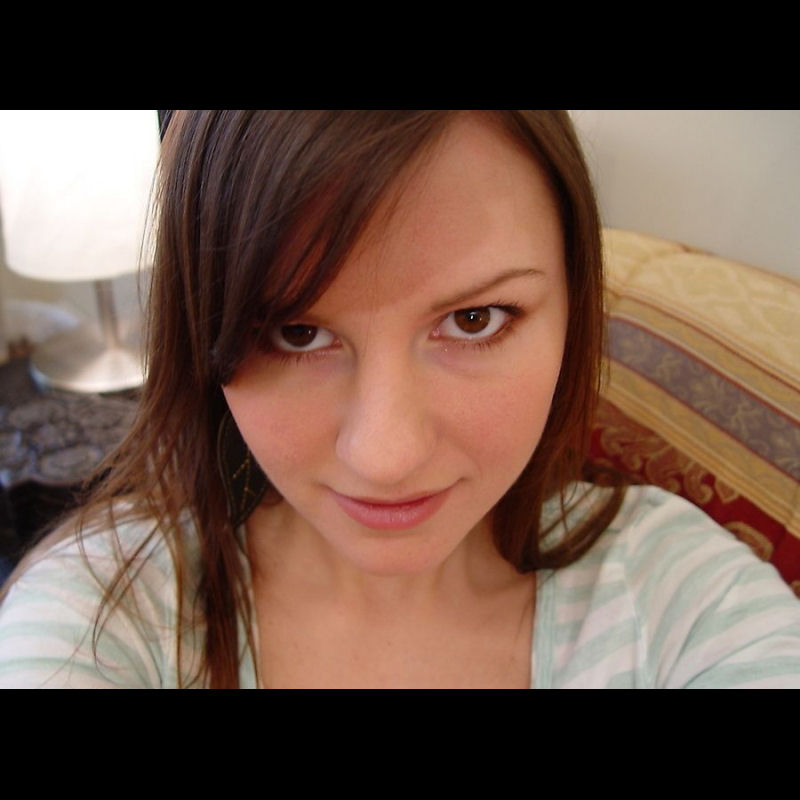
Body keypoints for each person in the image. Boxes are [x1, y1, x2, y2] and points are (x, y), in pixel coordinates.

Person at [1, 110, 798, 689]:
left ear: (573, 303)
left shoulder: (688, 603)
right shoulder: (98, 617)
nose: (386, 457)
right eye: (296, 333)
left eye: (475, 320)